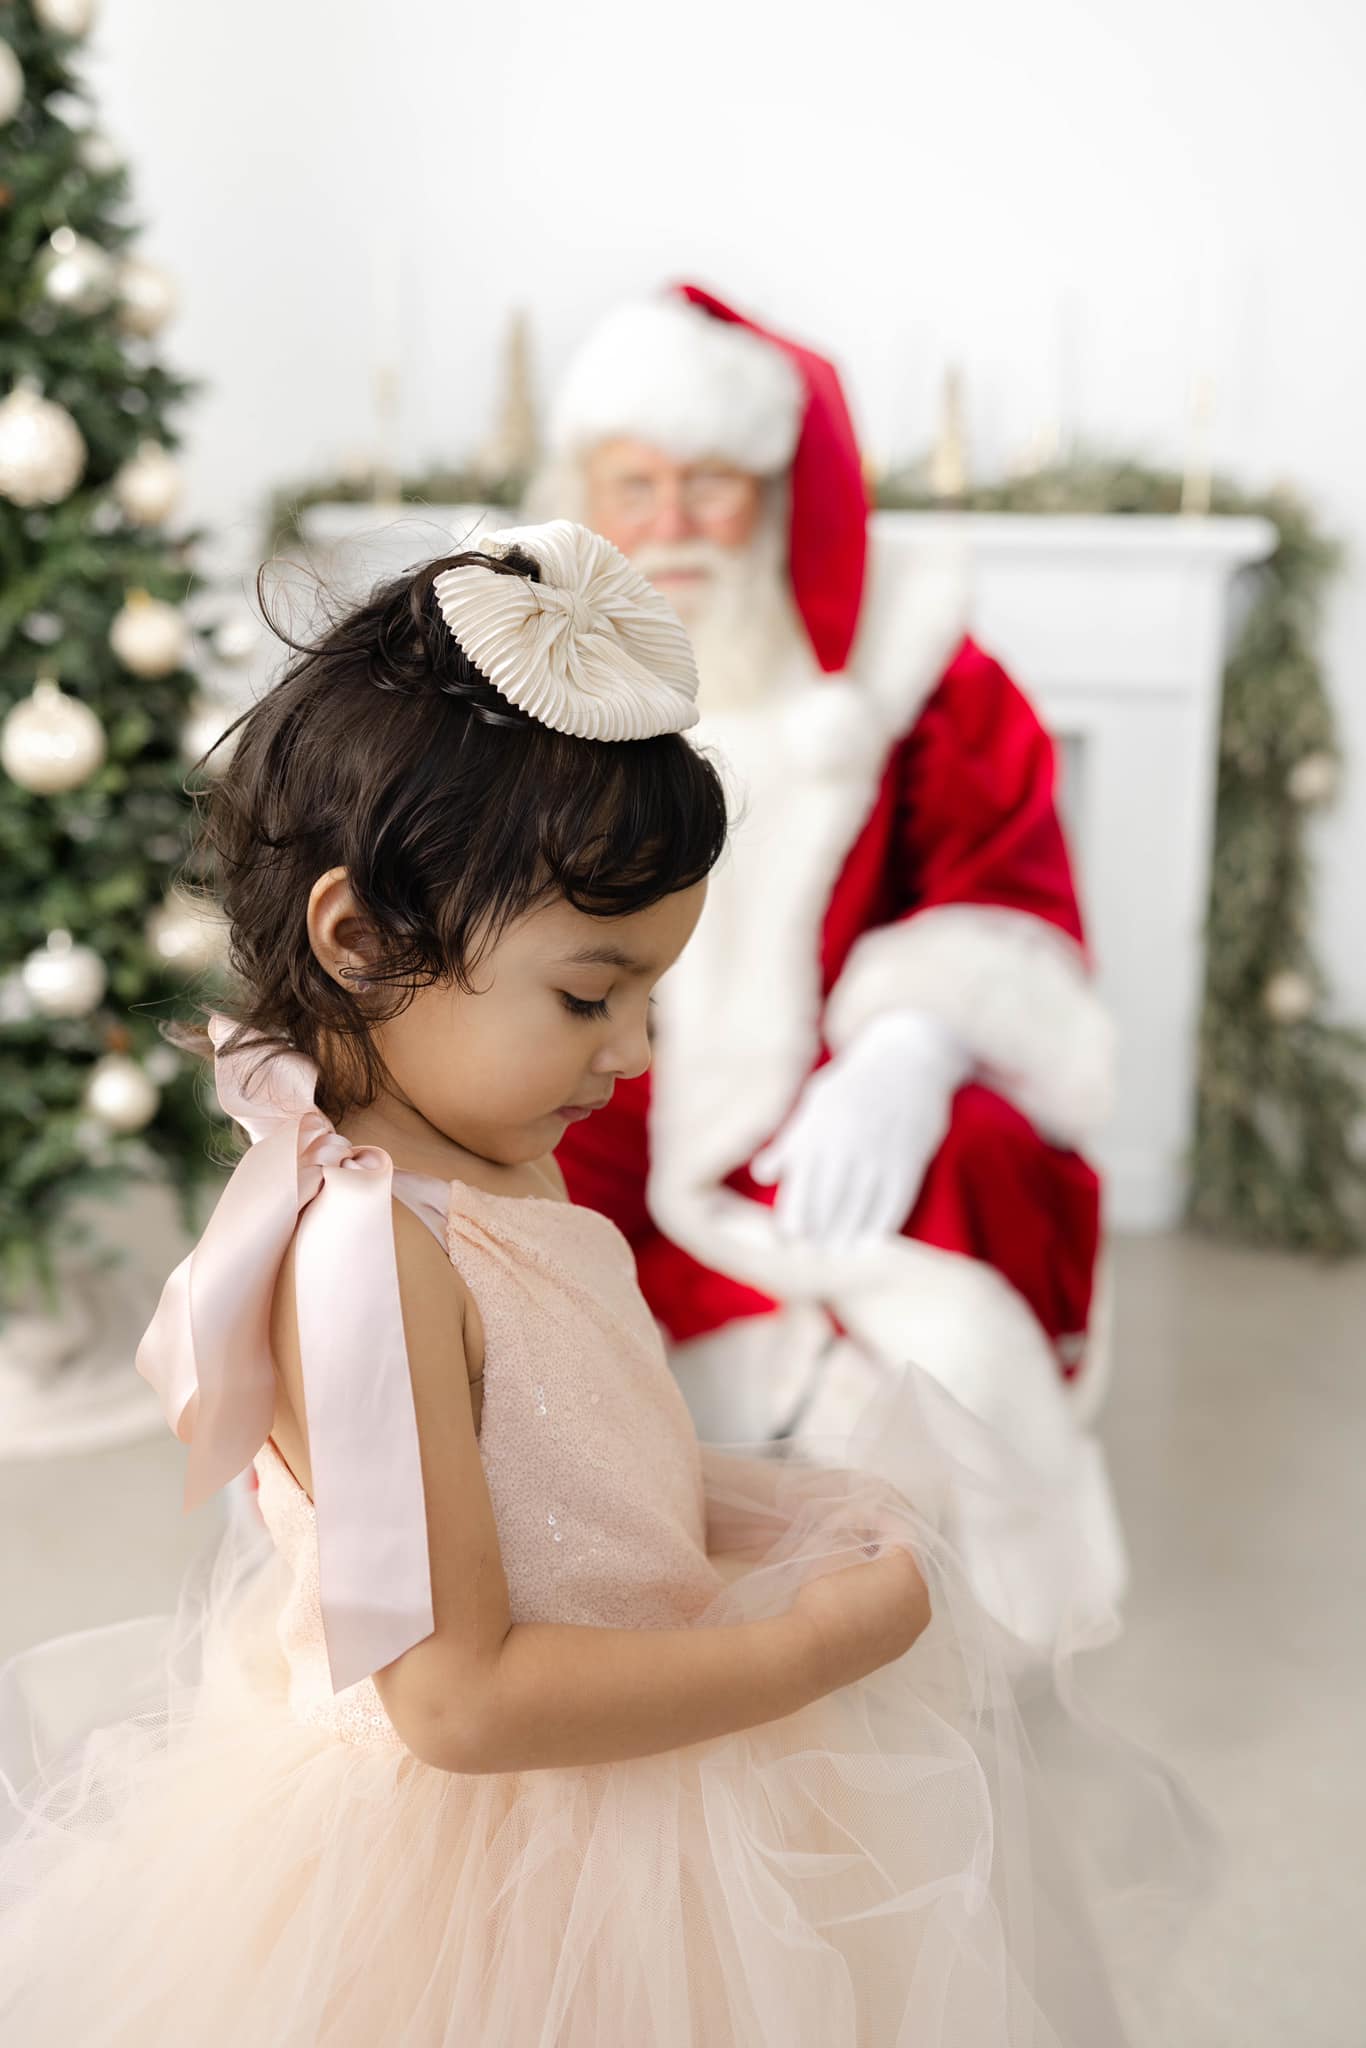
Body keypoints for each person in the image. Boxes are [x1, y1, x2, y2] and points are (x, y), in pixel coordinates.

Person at [0, 523, 1184, 2044]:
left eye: (648, 994)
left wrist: (764, 1507)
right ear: (359, 938)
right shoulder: (369, 1259)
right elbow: (458, 1702)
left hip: (632, 1747)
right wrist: (804, 1649)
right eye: (587, 994)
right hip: (501, 1871)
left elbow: (564, 1473)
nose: (633, 1055)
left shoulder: (483, 1157)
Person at [529, 287, 1122, 1643]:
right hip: (598, 1056)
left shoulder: (922, 672)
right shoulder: (525, 664)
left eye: (710, 485)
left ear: (775, 493)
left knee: (973, 1160)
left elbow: (1003, 881)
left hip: (833, 1074)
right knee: (496, 1197)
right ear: (586, 491)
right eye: (636, 482)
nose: (670, 522)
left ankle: (958, 1588)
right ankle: (582, 1558)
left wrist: (911, 1044)